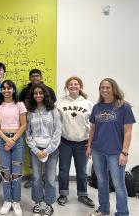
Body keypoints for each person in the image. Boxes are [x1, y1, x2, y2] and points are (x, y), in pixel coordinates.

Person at [87, 78, 135, 216]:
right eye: (102, 88)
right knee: (101, 182)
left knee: (119, 184)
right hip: (97, 150)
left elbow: (128, 131)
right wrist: (89, 146)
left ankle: (122, 212)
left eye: (107, 87)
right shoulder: (97, 107)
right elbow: (92, 129)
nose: (105, 90)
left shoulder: (124, 106)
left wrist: (124, 152)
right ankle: (103, 209)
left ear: (114, 89)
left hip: (116, 152)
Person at [55, 76, 95, 208]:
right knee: (63, 169)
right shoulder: (59, 103)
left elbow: (93, 125)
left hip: (82, 143)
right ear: (67, 87)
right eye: (70, 84)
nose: (73, 86)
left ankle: (83, 194)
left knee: (82, 171)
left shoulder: (88, 103)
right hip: (65, 142)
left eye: (76, 84)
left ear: (80, 86)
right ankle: (63, 193)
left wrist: (90, 143)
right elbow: (55, 123)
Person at [25, 83, 61, 216]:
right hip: (35, 150)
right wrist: (35, 149)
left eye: (41, 93)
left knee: (50, 179)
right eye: (35, 93)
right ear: (32, 95)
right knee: (36, 178)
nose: (38, 95)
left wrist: (47, 150)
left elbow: (58, 132)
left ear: (45, 94)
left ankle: (48, 205)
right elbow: (28, 133)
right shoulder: (30, 111)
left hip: (51, 150)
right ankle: (37, 203)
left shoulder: (53, 110)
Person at [0, 80, 26, 216]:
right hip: (2, 140)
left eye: (9, 88)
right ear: (1, 90)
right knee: (5, 171)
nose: (6, 90)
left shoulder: (20, 104)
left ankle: (16, 201)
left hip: (17, 141)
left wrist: (12, 140)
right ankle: (7, 200)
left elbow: (23, 125)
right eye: (4, 88)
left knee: (17, 171)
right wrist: (6, 139)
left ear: (13, 90)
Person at [19, 68, 56, 189]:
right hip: (31, 125)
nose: (35, 78)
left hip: (47, 129)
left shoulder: (49, 90)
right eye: (33, 76)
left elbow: (54, 107)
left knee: (49, 157)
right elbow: (20, 107)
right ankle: (34, 177)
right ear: (30, 78)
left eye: (37, 76)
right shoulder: (24, 91)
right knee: (32, 153)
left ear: (41, 77)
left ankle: (46, 178)